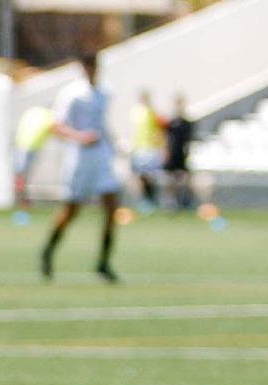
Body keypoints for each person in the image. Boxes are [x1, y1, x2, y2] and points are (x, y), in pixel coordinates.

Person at [41, 53, 120, 283]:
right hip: (79, 157)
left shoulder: (105, 92)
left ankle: (103, 263)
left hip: (101, 155)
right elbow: (56, 126)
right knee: (71, 210)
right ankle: (48, 250)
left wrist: (113, 144)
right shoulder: (71, 93)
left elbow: (103, 124)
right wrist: (80, 137)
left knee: (111, 206)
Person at [12, 105, 55, 210]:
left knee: (21, 175)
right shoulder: (49, 116)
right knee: (20, 176)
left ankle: (22, 200)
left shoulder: (31, 113)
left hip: (20, 146)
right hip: (27, 147)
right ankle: (21, 201)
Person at [129, 90, 164, 210]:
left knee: (149, 175)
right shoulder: (135, 112)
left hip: (149, 148)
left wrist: (159, 145)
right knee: (139, 175)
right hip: (138, 147)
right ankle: (143, 199)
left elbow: (158, 130)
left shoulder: (152, 111)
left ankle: (151, 199)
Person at [163, 95, 195, 213]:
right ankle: (170, 202)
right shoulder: (171, 123)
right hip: (173, 154)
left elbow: (189, 139)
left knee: (185, 179)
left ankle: (186, 201)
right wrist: (166, 151)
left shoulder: (187, 123)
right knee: (170, 179)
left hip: (182, 154)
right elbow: (167, 138)